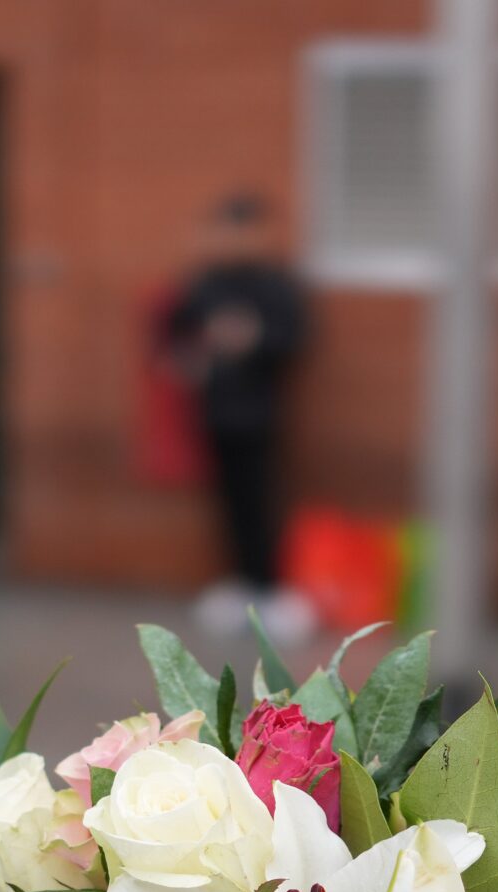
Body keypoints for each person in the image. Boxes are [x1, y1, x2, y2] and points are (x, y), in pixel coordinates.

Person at [163, 191, 313, 643]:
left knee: (259, 502)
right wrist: (187, 358)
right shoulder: (207, 282)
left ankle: (270, 589)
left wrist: (253, 340)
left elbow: (294, 339)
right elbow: (175, 330)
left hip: (259, 415)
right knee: (225, 502)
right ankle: (241, 585)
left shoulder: (276, 285)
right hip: (213, 412)